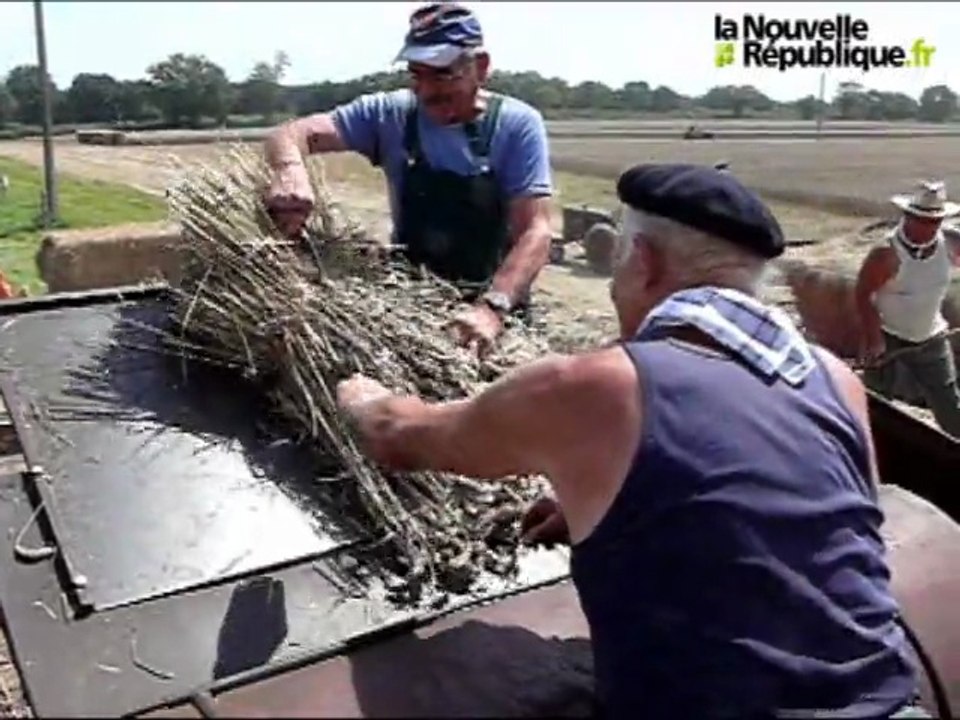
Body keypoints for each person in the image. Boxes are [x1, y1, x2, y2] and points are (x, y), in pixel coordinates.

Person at [336, 163, 923, 718]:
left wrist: (356, 395)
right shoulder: (834, 379)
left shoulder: (596, 386)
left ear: (641, 261)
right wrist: (626, 497)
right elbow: (810, 523)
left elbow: (404, 438)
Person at [262, 2, 554, 357]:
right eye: (418, 74)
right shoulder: (391, 114)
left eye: (443, 73)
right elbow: (291, 133)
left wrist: (493, 308)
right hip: (410, 302)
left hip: (494, 308)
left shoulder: (517, 125)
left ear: (481, 67)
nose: (428, 90)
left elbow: (536, 230)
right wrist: (290, 170)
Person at [855, 180, 960, 439]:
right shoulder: (885, 254)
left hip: (931, 337)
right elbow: (863, 293)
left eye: (936, 220)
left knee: (951, 407)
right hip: (887, 337)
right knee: (877, 407)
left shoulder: (950, 244)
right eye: (923, 220)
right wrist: (873, 338)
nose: (930, 226)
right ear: (908, 216)